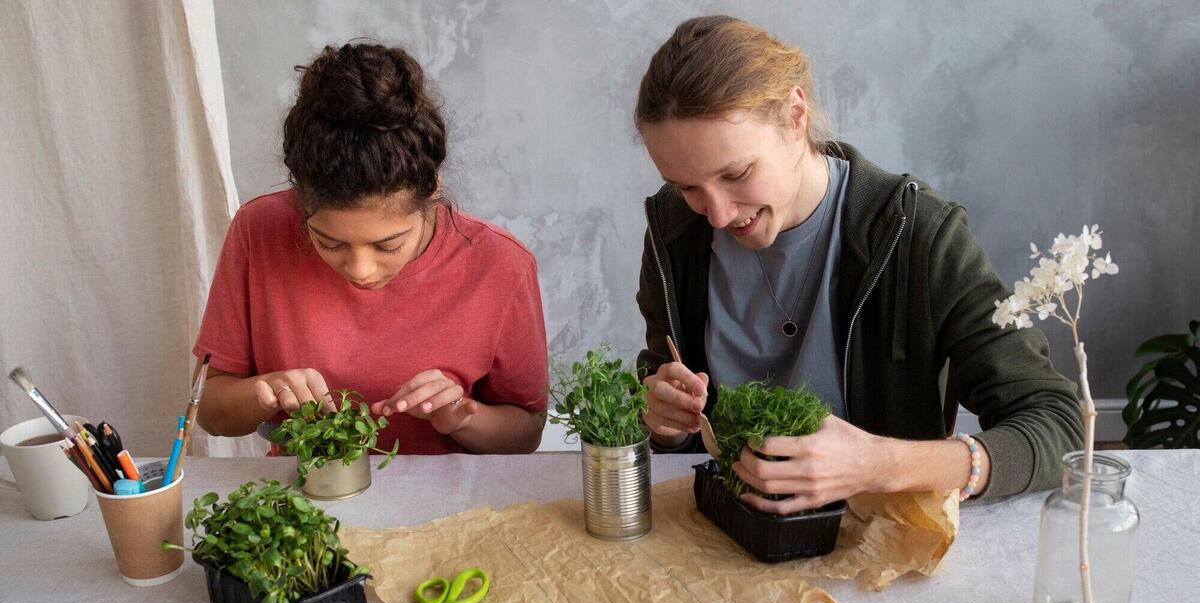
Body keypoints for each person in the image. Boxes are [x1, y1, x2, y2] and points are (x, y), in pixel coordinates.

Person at [633, 16, 1082, 512]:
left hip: (879, 550)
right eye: (687, 186)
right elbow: (668, 408)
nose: (716, 213)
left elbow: (1058, 425)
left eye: (737, 173)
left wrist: (880, 464)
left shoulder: (919, 235)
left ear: (794, 117)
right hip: (724, 535)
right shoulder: (674, 234)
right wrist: (665, 421)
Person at [194, 43, 548, 454]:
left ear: (431, 192)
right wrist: (262, 391)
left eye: (388, 244)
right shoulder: (258, 232)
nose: (361, 269)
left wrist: (462, 415)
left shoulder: (500, 264)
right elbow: (211, 411)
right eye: (329, 242)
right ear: (299, 200)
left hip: (451, 508)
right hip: (304, 499)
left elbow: (526, 434)